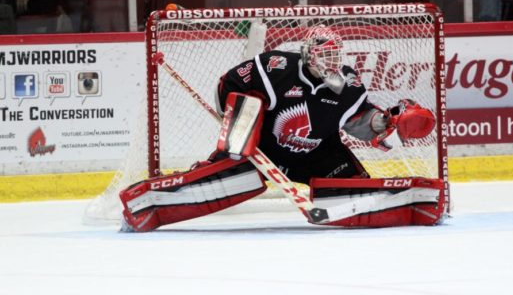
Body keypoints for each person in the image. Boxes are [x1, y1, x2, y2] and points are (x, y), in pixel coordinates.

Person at [119, 25, 444, 232]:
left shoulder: (348, 86)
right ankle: (150, 203)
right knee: (221, 180)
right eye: (324, 56)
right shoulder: (276, 67)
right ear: (307, 54)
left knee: (356, 189)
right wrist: (242, 126)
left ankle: (416, 204)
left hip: (318, 155)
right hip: (264, 152)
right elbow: (227, 85)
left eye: (335, 56)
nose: (331, 64)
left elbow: (360, 123)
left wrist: (385, 125)